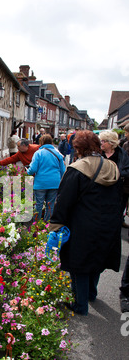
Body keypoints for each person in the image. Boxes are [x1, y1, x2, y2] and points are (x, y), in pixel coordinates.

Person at [48, 130, 122, 315]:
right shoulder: (112, 167)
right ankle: (91, 294)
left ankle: (80, 305)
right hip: (109, 223)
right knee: (97, 259)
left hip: (83, 224)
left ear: (78, 148)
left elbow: (64, 200)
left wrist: (56, 225)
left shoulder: (78, 168)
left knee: (78, 263)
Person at [27, 134, 65, 221]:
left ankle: (36, 225)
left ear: (41, 142)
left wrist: (27, 171)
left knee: (38, 204)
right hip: (54, 183)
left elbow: (33, 169)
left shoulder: (38, 153)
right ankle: (47, 225)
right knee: (50, 205)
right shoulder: (58, 154)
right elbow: (63, 171)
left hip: (41, 183)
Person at [99, 130, 129, 228]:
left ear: (111, 143)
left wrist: (117, 174)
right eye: (101, 141)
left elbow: (127, 170)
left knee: (115, 215)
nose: (101, 143)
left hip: (117, 189)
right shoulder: (98, 153)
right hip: (100, 188)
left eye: (104, 141)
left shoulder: (122, 154)